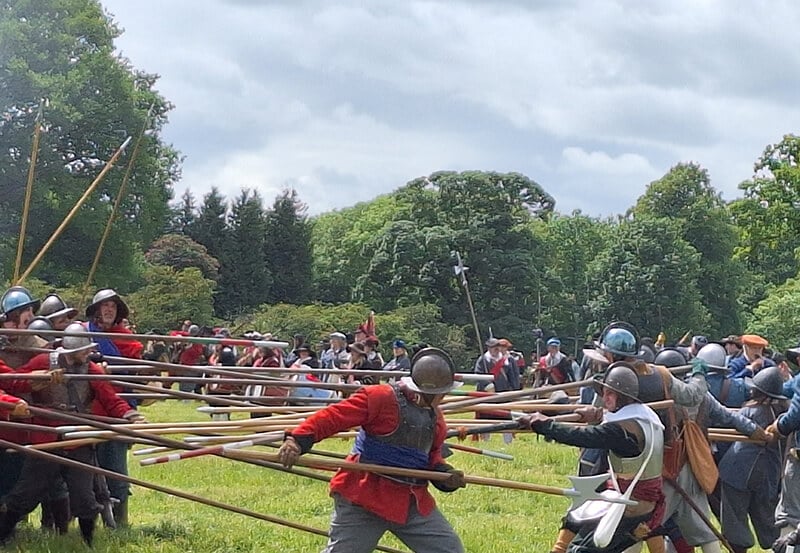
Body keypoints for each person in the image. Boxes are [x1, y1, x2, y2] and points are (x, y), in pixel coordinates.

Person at [277, 348, 466, 553]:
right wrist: (296, 440)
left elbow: (431, 457)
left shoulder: (435, 420)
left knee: (449, 550)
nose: (444, 397)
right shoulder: (380, 397)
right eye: (440, 393)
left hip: (410, 501)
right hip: (364, 497)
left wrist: (445, 475)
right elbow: (333, 417)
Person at [0, 325, 145, 545]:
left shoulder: (92, 369)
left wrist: (130, 415)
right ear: (70, 350)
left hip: (78, 440)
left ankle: (88, 543)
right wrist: (35, 379)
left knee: (84, 498)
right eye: (84, 349)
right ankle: (3, 536)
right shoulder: (43, 362)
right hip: (46, 440)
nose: (88, 354)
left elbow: (111, 399)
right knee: (25, 494)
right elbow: (14, 382)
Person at [521, 363, 665, 553]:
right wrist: (596, 416)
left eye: (609, 394)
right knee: (576, 515)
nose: (604, 398)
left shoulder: (620, 430)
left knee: (580, 550)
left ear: (622, 397)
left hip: (628, 506)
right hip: (637, 501)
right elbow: (609, 426)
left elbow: (582, 437)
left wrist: (543, 424)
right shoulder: (649, 420)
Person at [84, 289, 143, 527]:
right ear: (96, 310)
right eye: (105, 306)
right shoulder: (85, 334)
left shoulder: (126, 340)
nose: (109, 310)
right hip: (89, 411)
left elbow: (135, 377)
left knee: (116, 470)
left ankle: (119, 524)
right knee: (87, 473)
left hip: (117, 410)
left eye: (113, 306)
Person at [718, 367, 786, 553]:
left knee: (735, 521)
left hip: (736, 472)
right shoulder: (781, 413)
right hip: (768, 477)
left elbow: (728, 418)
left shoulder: (749, 412)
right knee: (768, 523)